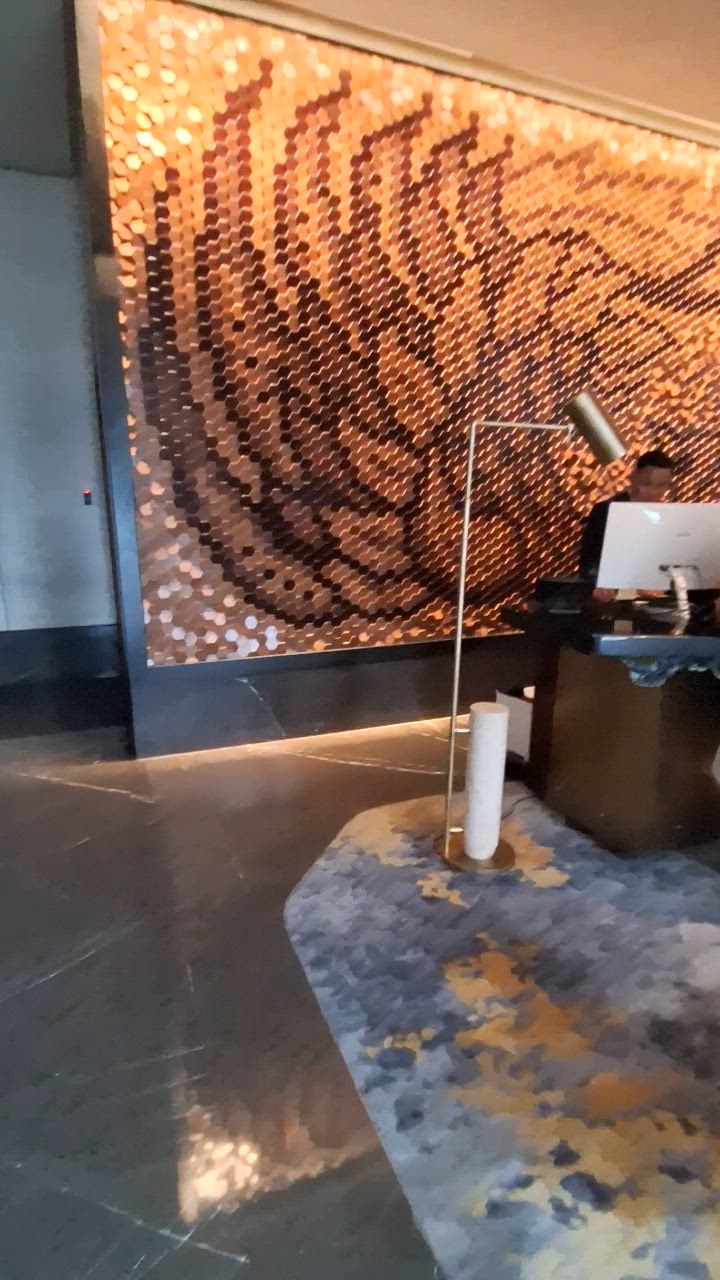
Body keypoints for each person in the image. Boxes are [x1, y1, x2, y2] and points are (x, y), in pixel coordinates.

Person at [578, 448, 676, 592]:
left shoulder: (669, 517)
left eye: (661, 486)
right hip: (618, 596)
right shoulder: (607, 511)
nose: (653, 492)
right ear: (633, 476)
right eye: (646, 484)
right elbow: (589, 565)